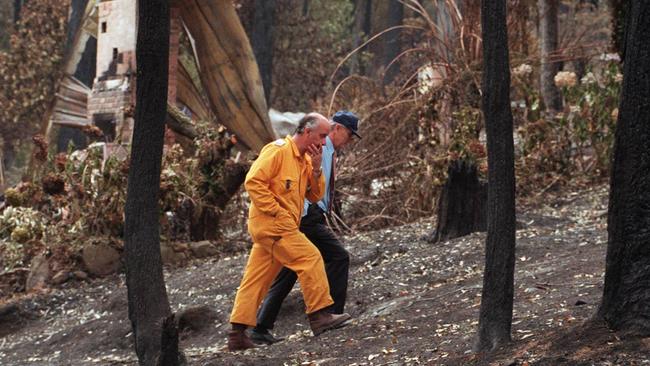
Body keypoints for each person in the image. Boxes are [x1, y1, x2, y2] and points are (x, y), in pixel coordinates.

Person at [228, 112, 352, 351]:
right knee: (310, 257)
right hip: (274, 226)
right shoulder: (277, 151)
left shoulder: (304, 160)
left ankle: (237, 334)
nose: (325, 142)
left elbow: (314, 196)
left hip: (275, 229)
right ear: (307, 132)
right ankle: (319, 316)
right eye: (322, 136)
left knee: (256, 280)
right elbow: (253, 181)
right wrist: (277, 212)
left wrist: (316, 170)